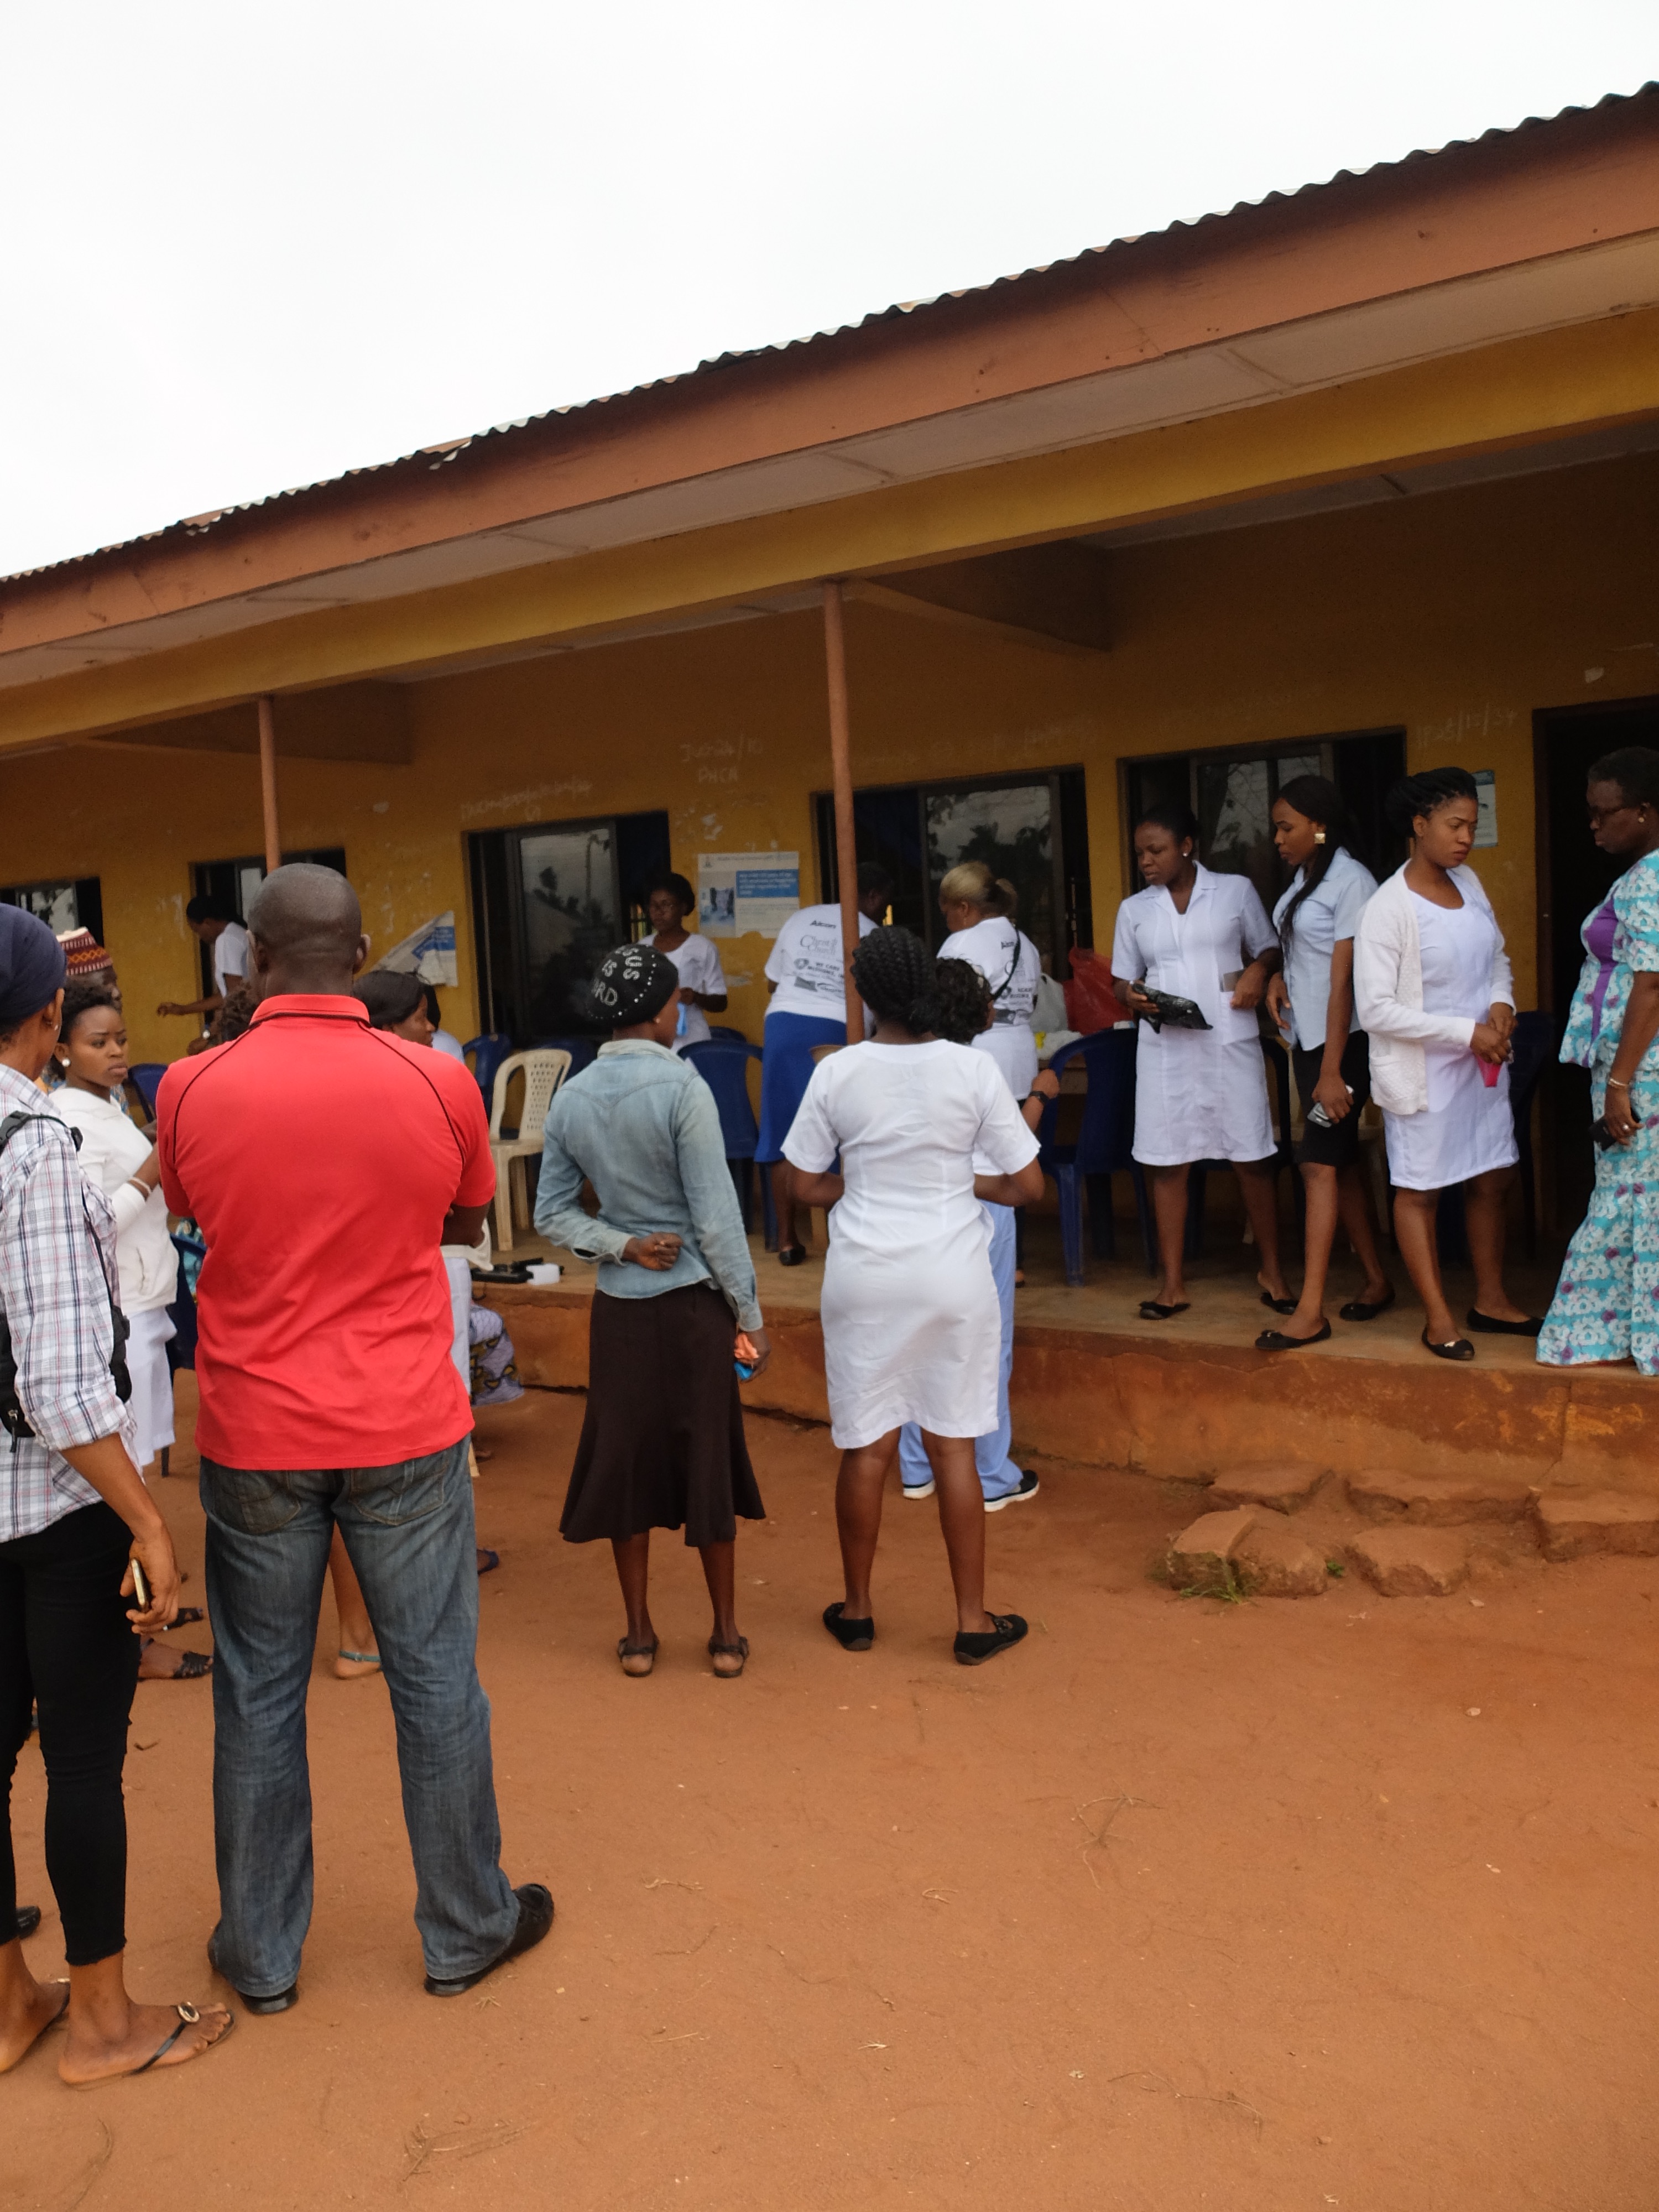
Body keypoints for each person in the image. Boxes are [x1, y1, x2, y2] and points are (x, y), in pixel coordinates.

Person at [157, 864, 550, 2010]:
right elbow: (463, 1217)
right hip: (403, 1421)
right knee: (436, 1680)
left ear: (255, 961)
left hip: (256, 1428)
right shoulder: (437, 1076)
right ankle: (466, 1926)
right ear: (363, 951)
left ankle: (262, 1953)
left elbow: (193, 1212)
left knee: (258, 1693)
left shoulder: (189, 1084)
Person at [0, 905, 232, 2084]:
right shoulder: (33, 1144)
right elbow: (54, 1383)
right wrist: (144, 1517)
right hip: (55, 1509)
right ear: (48, 1015)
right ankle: (100, 2019)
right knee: (84, 1763)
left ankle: (9, 2002)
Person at [784, 927, 1044, 1666]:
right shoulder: (971, 1068)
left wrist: (863, 1186)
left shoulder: (837, 1072)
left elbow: (800, 1183)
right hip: (951, 1276)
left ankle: (858, 1613)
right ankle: (972, 1621)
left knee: (867, 1447)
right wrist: (963, 1183)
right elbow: (1027, 1186)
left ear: (865, 995)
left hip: (864, 1279)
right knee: (953, 1445)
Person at [535, 945, 771, 1679]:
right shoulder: (684, 1087)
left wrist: (623, 1245)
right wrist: (750, 1315)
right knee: (709, 1460)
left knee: (627, 1463)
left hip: (621, 1312)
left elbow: (552, 1213)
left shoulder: (572, 1097)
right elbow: (717, 1222)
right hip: (696, 1309)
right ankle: (725, 1635)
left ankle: (638, 1636)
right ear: (664, 1011)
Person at [48, 982, 211, 1685]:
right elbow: (95, 1222)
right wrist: (152, 1167)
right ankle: (138, 1639)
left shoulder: (108, 1105)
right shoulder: (66, 1118)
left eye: (120, 1040)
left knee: (137, 1466)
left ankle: (150, 1609)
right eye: (98, 1043)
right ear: (61, 1049)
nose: (116, 1052)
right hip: (120, 1310)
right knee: (126, 1478)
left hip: (145, 1299)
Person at [1353, 767, 1537, 1359]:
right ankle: (1437, 1318)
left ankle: (1491, 1299)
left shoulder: (1470, 883)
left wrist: (1502, 1004)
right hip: (1425, 1074)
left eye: (1472, 827)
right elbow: (1376, 1009)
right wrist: (1467, 1032)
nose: (1465, 838)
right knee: (1421, 1191)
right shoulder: (1388, 908)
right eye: (1455, 825)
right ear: (1419, 824)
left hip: (1482, 1066)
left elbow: (1497, 956)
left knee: (1492, 1177)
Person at [1110, 804, 1290, 1322]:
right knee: (1168, 1161)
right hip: (1166, 1049)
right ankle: (1172, 1284)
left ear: (1187, 846)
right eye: (1140, 853)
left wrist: (1258, 970)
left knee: (1251, 1156)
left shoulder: (1234, 891)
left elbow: (1271, 948)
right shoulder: (1135, 909)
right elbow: (1121, 978)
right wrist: (1131, 995)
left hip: (1229, 1043)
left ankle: (1273, 1272)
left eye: (1156, 850)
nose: (1146, 861)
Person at [898, 959, 1055, 1510]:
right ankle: (989, 1473)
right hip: (983, 1211)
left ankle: (917, 1465)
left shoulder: (898, 1068)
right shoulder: (976, 1067)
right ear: (980, 1013)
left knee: (919, 1336)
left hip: (915, 1214)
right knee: (987, 1344)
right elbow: (1017, 1156)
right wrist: (1040, 1097)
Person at [1259, 776, 1393, 1349]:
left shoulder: (1351, 882)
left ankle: (1311, 1310)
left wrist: (1335, 1071)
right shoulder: (1305, 878)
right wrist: (1278, 978)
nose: (1277, 839)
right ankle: (1377, 1279)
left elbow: (1345, 983)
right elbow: (1303, 954)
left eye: (1285, 827)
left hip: (1346, 1046)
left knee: (1315, 1163)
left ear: (1319, 825)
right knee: (1340, 1163)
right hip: (1311, 1043)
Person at [1538, 748, 1659, 1374]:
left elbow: (1653, 985)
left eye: (1603, 812)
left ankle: (1585, 1336)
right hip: (1635, 1065)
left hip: (1642, 1071)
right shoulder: (1640, 875)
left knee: (1626, 1193)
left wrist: (1619, 1083)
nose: (1593, 825)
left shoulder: (1651, 879)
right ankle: (1627, 1333)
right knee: (1638, 1197)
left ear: (1644, 811)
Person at [757, 864, 891, 1265]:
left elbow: (772, 981)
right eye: (884, 902)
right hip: (836, 1027)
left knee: (781, 1133)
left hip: (782, 1026)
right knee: (837, 1131)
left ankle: (786, 1240)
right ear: (872, 897)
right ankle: (840, 1238)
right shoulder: (872, 933)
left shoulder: (802, 918)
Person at [937, 861, 1043, 1103]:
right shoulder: (1026, 944)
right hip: (1024, 1064)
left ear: (964, 908)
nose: (947, 922)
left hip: (979, 1063)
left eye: (947, 914)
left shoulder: (960, 944)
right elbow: (1033, 1002)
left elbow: (942, 1011)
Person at [641, 871, 727, 1053]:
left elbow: (721, 1002)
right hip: (652, 1039)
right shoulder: (642, 948)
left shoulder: (703, 947)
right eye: (654, 906)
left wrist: (696, 997)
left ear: (683, 907)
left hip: (692, 1039)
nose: (659, 912)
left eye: (666, 905)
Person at [156, 895, 250, 1026]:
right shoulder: (237, 932)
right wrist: (183, 1010)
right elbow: (225, 996)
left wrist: (216, 1028)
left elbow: (236, 994)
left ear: (207, 923)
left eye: (197, 930)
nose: (200, 937)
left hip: (244, 1022)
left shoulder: (226, 940)